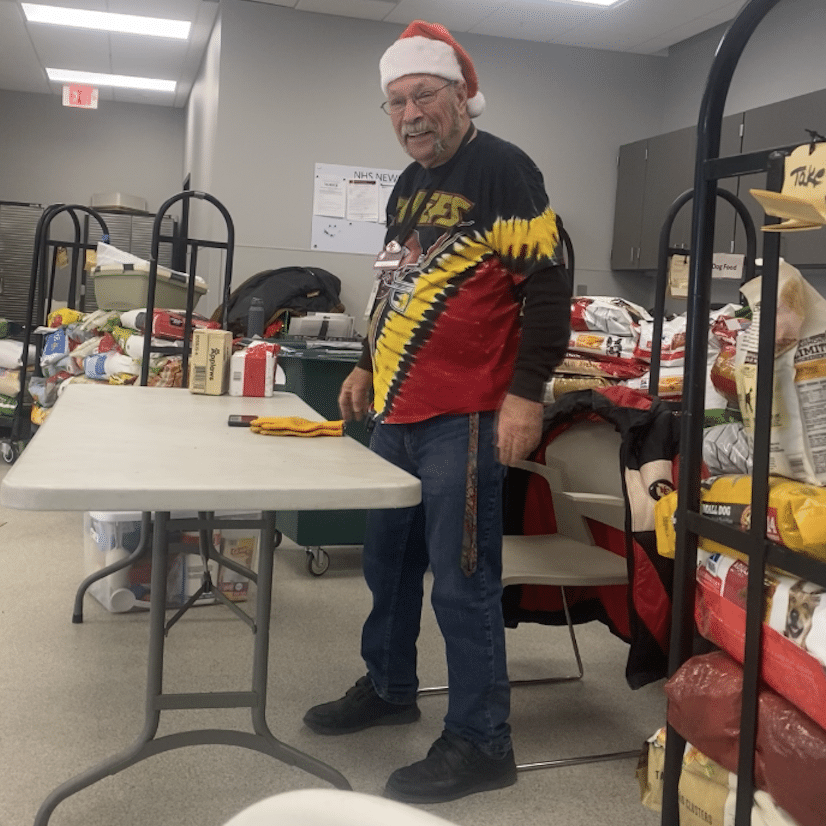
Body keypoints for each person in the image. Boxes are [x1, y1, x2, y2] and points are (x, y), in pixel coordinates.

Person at [304, 20, 572, 804]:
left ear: (460, 96)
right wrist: (365, 363)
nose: (410, 113)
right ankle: (390, 687)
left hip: (470, 413)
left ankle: (482, 742)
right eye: (396, 102)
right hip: (399, 412)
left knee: (462, 583)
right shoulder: (407, 185)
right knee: (387, 564)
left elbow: (547, 288)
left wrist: (525, 393)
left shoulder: (504, 169)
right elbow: (392, 284)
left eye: (423, 95)